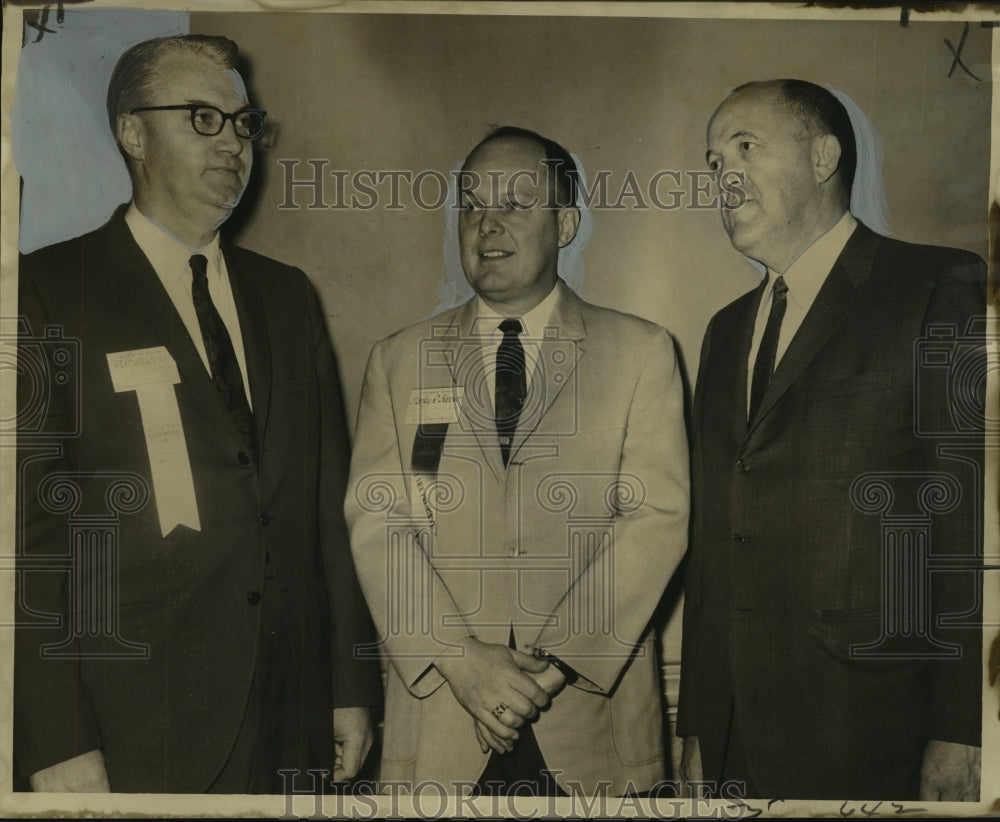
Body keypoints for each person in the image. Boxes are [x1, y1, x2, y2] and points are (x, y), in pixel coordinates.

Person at [15, 34, 380, 794]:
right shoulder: (45, 291)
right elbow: (26, 538)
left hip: (292, 714)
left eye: (243, 124)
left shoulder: (288, 298)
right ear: (132, 132)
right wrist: (55, 739)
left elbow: (327, 510)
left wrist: (350, 687)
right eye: (202, 120)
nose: (233, 145)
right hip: (134, 725)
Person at [344, 126, 689, 796]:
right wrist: (463, 662)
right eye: (471, 205)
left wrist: (547, 673)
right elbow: (380, 525)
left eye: (515, 204)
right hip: (445, 722)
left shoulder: (641, 352)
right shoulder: (398, 361)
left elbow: (656, 521)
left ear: (565, 224)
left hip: (592, 730)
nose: (487, 224)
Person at [677, 79, 985, 801]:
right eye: (714, 163)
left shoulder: (937, 283)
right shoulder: (725, 331)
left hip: (878, 727)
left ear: (823, 157)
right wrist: (697, 725)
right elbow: (713, 542)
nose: (723, 177)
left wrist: (964, 726)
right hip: (734, 737)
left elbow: (971, 523)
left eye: (744, 148)